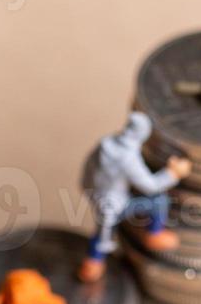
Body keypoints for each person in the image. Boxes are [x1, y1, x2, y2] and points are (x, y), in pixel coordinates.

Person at [77, 111, 190, 282]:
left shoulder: (106, 142)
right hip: (116, 203)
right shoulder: (128, 158)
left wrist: (89, 190)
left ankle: (93, 263)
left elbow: (88, 167)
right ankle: (154, 233)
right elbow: (151, 186)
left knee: (103, 230)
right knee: (159, 200)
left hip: (97, 196)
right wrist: (173, 173)